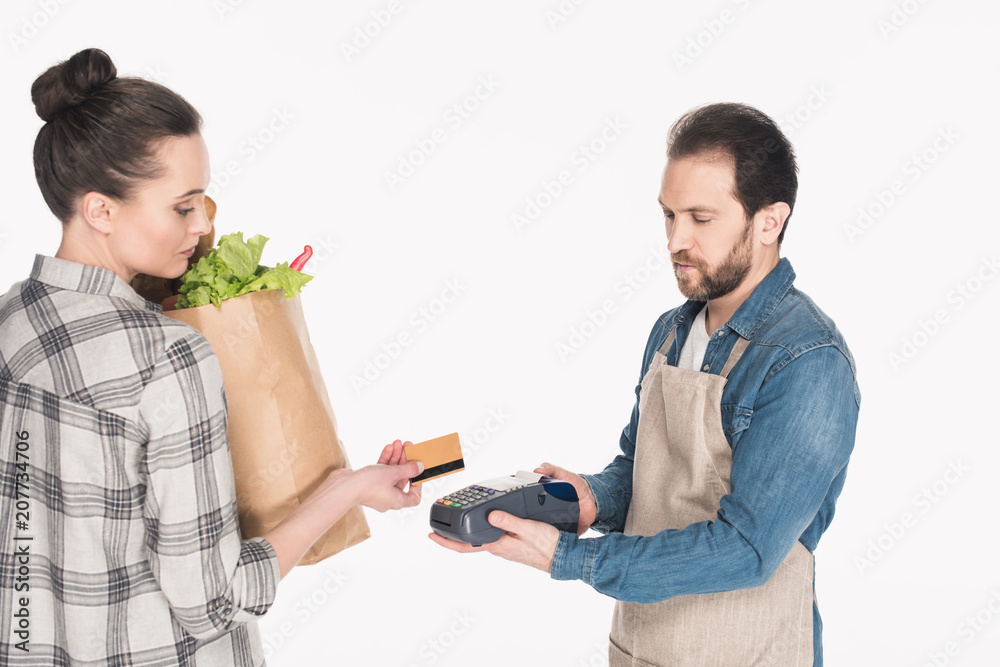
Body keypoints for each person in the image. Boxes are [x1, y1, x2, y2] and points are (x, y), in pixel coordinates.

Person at [0, 48, 423, 665]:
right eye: (182, 206)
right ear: (100, 209)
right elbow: (213, 600)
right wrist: (342, 490)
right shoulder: (169, 356)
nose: (203, 223)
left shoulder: (13, 320)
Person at [430, 102, 861, 666]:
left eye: (700, 219)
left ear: (768, 221)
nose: (675, 240)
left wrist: (572, 559)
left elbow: (747, 549)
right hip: (644, 648)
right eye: (668, 215)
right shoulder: (672, 330)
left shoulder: (805, 360)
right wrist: (588, 499)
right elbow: (642, 470)